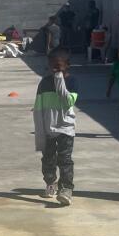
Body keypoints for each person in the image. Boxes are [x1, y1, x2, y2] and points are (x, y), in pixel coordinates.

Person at [34, 46, 78, 206]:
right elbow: (38, 108)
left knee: (65, 159)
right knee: (48, 159)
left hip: (66, 128)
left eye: (58, 66)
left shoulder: (72, 81)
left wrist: (60, 78)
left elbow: (68, 101)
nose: (54, 69)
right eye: (52, 65)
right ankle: (50, 183)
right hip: (48, 129)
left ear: (67, 66)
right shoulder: (44, 82)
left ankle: (66, 188)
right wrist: (40, 130)